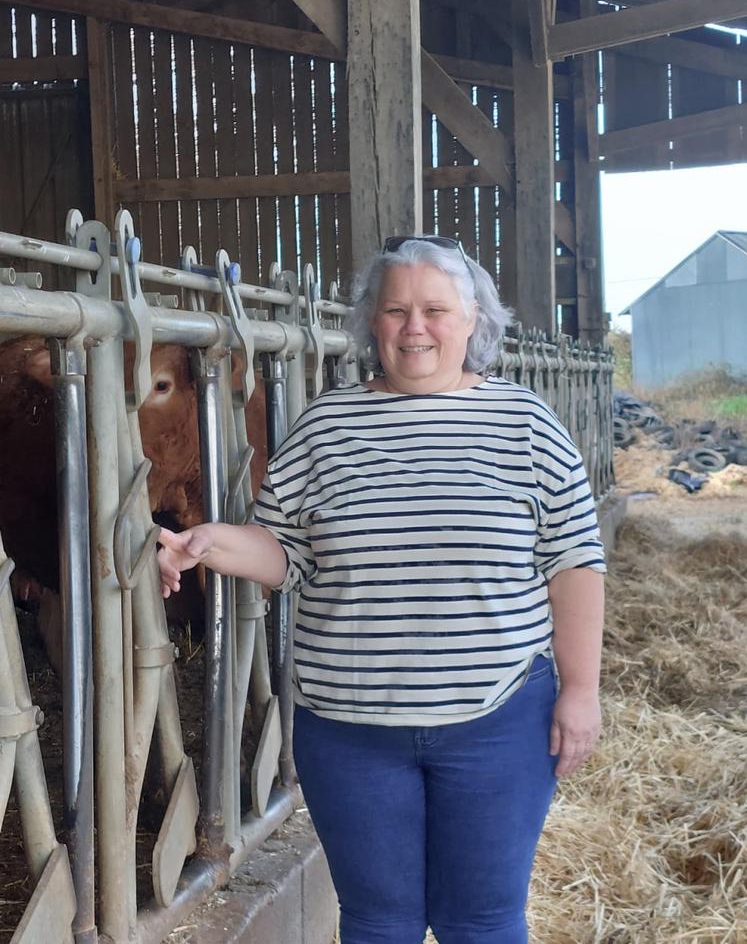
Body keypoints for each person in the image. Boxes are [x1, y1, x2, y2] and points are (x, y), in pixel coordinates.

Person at [158, 236, 606, 944]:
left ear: (473, 321)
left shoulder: (526, 426)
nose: (414, 327)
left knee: (482, 922)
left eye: (434, 309)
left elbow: (574, 563)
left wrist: (580, 692)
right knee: (376, 923)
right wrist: (211, 542)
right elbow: (285, 550)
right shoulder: (326, 427)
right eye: (395, 310)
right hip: (350, 732)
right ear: (372, 322)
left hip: (497, 722)